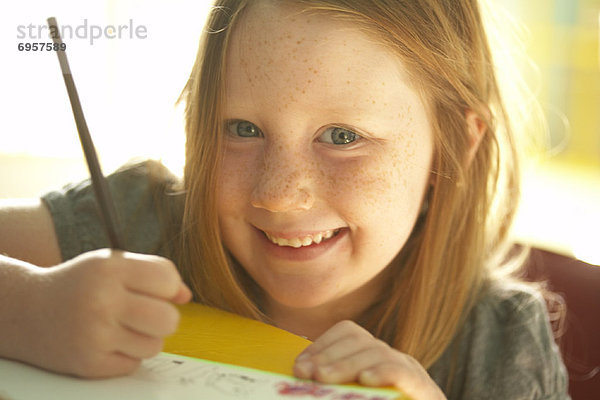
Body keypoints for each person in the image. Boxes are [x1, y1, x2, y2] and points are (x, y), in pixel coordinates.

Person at [0, 0, 569, 399]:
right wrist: (26, 310)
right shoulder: (136, 225)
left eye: (343, 137)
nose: (278, 195)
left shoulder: (501, 347)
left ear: (454, 149)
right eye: (242, 128)